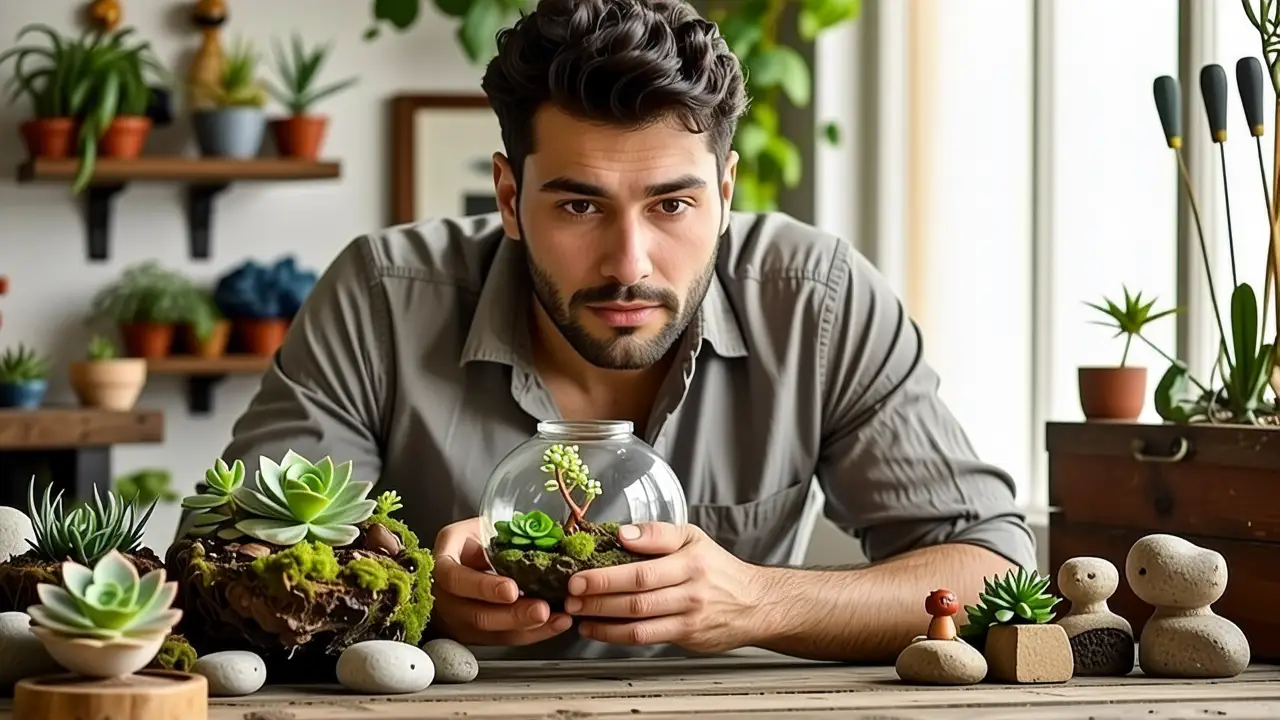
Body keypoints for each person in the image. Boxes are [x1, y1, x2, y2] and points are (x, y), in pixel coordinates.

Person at [218, 0, 1035, 662]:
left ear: (725, 192)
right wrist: (415, 596)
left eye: (672, 204)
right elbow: (227, 556)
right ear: (509, 198)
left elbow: (991, 568)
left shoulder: (816, 299)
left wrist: (758, 601)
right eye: (580, 205)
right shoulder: (381, 297)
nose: (629, 264)